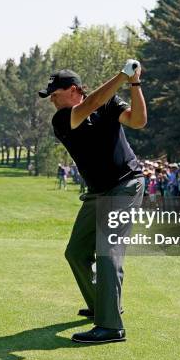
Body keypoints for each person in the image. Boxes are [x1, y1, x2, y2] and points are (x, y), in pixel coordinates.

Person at [38, 59, 146, 343]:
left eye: (55, 94)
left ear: (73, 89)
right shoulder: (62, 118)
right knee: (76, 251)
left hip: (125, 185)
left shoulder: (110, 105)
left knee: (107, 252)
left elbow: (138, 121)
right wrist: (121, 76)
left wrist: (134, 83)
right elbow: (91, 104)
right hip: (98, 192)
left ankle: (111, 326)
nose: (52, 100)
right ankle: (102, 304)